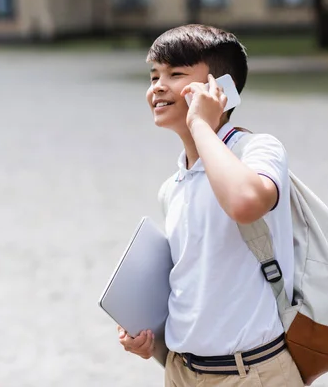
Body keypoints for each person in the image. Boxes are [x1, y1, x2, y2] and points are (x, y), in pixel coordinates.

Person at [117, 24, 304, 386]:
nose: (157, 85)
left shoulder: (258, 150)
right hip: (181, 372)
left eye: (175, 74)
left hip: (252, 373)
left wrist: (201, 123)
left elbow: (245, 203)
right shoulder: (173, 186)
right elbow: (195, 282)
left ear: (222, 89)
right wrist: (148, 335)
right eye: (154, 74)